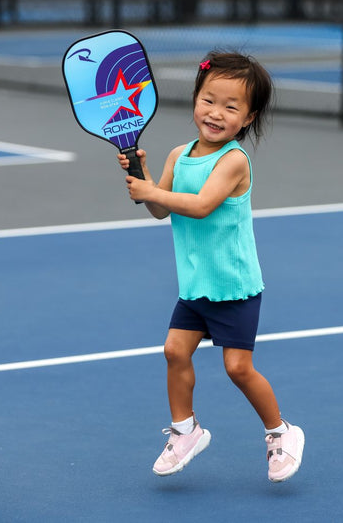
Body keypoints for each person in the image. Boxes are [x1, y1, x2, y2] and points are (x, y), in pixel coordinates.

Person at [117, 51, 304, 482]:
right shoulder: (178, 155)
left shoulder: (234, 161)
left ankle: (282, 432)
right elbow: (160, 211)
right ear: (195, 100)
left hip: (233, 285)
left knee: (238, 368)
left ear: (248, 118)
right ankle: (186, 431)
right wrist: (144, 178)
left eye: (231, 107)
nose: (216, 113)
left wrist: (151, 192)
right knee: (174, 351)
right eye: (208, 100)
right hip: (196, 284)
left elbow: (201, 205)